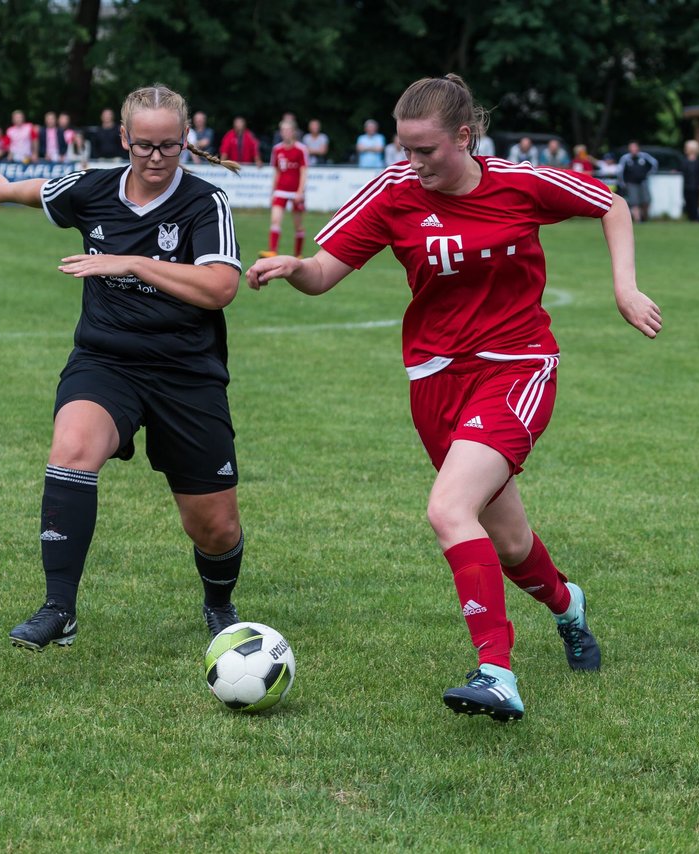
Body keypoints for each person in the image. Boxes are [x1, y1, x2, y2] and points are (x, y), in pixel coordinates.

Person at [246, 74, 662, 722]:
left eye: (425, 151)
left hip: (517, 367)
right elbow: (325, 272)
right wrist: (297, 270)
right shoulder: (392, 193)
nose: (411, 164)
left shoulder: (519, 184)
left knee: (447, 509)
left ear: (464, 137)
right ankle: (568, 606)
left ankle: (496, 671)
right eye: (404, 149)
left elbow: (611, 204)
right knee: (511, 541)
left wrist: (625, 288)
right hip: (434, 382)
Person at [0, 83, 248, 652]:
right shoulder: (91, 187)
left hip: (186, 372)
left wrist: (135, 263)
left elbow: (221, 287)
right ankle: (58, 608)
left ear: (186, 141)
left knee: (214, 527)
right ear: (123, 138)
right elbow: (20, 189)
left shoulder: (203, 203)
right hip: (106, 360)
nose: (154, 158)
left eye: (168, 146)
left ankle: (219, 605)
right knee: (71, 447)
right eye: (143, 145)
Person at [262, 119, 309, 259]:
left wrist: (301, 191)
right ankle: (272, 251)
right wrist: (273, 191)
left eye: (288, 130)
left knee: (298, 225)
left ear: (294, 132)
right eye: (283, 130)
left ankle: (298, 254)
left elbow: (304, 171)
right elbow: (276, 171)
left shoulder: (301, 149)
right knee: (275, 220)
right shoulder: (277, 149)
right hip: (280, 190)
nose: (285, 133)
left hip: (296, 192)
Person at [618, 140, 659, 223]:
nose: (633, 149)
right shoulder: (625, 158)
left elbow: (654, 163)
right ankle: (638, 220)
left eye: (635, 147)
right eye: (631, 147)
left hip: (643, 182)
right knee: (634, 202)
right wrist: (622, 183)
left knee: (646, 201)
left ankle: (645, 218)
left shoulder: (645, 156)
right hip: (631, 183)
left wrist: (649, 174)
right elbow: (620, 172)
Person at [677, 140, 699, 222]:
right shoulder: (684, 160)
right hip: (686, 185)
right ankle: (690, 217)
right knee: (687, 202)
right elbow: (680, 169)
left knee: (695, 203)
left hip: (696, 185)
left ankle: (695, 218)